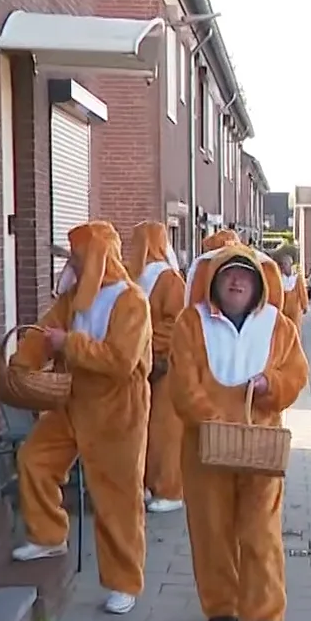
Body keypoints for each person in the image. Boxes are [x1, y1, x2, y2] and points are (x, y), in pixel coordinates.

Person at [10, 222, 152, 615]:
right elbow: (43, 334)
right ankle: (48, 533)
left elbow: (121, 361)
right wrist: (20, 365)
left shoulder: (132, 302)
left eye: (76, 255)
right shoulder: (72, 299)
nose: (70, 261)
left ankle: (124, 581)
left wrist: (69, 344)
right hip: (73, 402)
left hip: (118, 412)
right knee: (34, 459)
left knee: (117, 499)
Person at [168, 244, 308, 621]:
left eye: (244, 276)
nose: (236, 281)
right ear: (214, 280)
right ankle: (220, 604)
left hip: (260, 446)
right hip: (204, 449)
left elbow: (296, 374)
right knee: (211, 528)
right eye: (229, 274)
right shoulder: (190, 324)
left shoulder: (279, 326)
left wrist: (271, 384)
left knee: (261, 529)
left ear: (257, 283)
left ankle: (264, 612)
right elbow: (182, 384)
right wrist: (213, 422)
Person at [126, 221, 187, 515]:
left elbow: (175, 321)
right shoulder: (139, 278)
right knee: (147, 427)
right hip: (146, 365)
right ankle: (151, 483)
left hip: (165, 365)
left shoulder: (169, 279)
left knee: (166, 429)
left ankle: (172, 489)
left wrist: (152, 347)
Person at [272, 246, 307, 326]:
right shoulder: (279, 277)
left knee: (295, 327)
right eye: (282, 264)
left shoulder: (297, 277)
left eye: (285, 264)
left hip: (295, 309)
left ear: (290, 264)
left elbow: (302, 292)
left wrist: (304, 305)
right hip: (283, 308)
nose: (283, 266)